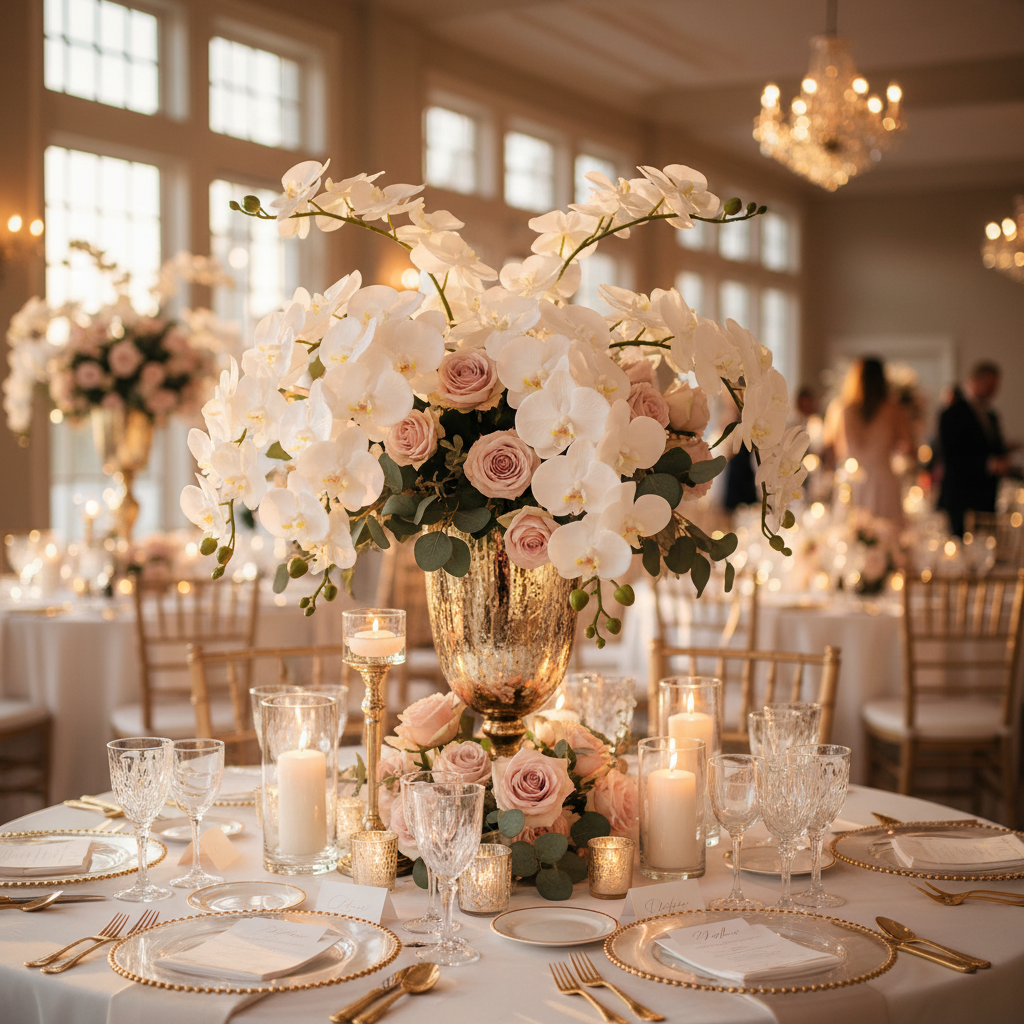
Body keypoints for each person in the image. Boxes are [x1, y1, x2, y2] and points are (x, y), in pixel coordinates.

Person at [824, 357, 913, 524]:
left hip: (852, 481)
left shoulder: (843, 409)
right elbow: (909, 448)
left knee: (851, 538)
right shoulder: (895, 410)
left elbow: (835, 450)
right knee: (887, 540)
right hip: (884, 481)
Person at [937, 361, 1011, 536]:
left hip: (987, 495)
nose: (994, 391)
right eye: (990, 385)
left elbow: (992, 447)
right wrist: (990, 464)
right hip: (962, 496)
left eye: (995, 386)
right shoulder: (951, 414)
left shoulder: (991, 415)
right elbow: (952, 456)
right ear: (976, 381)